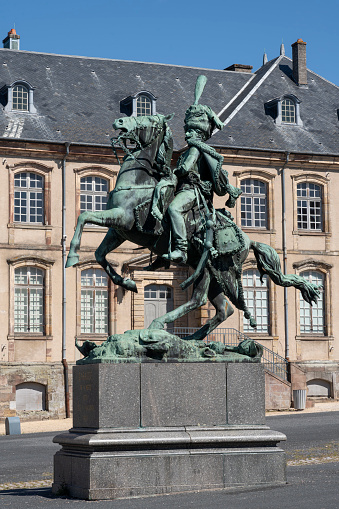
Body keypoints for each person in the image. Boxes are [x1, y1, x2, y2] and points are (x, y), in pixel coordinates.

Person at [162, 93, 242, 264]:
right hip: (183, 189)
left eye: (191, 131)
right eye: (187, 130)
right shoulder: (190, 149)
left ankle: (181, 249)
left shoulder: (194, 149)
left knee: (174, 209)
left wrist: (171, 172)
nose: (187, 134)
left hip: (192, 191)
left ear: (199, 133)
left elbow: (184, 169)